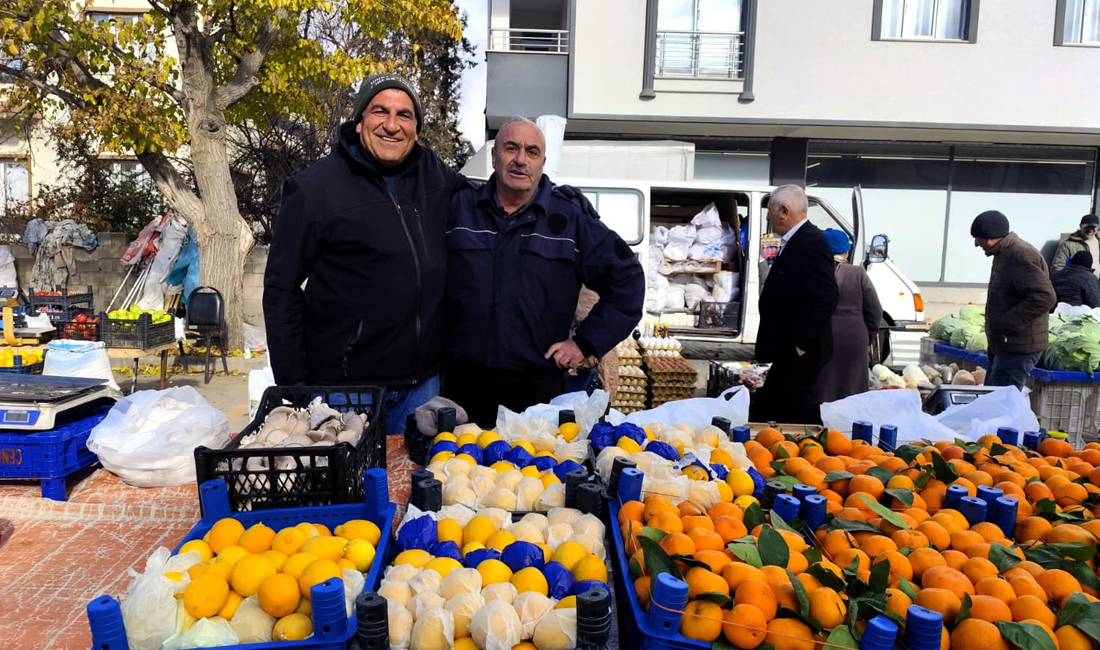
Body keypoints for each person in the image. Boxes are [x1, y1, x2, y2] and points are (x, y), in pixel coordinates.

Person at [263, 73, 463, 435]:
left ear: (416, 127)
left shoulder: (437, 178)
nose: (391, 125)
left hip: (422, 387)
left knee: (414, 489)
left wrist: (558, 198)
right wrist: (296, 387)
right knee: (347, 489)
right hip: (345, 392)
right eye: (379, 111)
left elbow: (493, 203)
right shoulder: (314, 190)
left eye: (404, 115)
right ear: (359, 123)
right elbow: (281, 290)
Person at [443, 117, 645, 427]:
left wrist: (583, 344)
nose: (520, 159)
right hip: (461, 388)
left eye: (531, 151)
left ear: (543, 162)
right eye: (511, 148)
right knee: (455, 472)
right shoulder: (459, 208)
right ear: (495, 156)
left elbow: (628, 281)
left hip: (535, 393)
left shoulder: (570, 219)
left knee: (531, 475)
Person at [750, 185, 839, 425]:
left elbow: (826, 297)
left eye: (769, 211)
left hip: (800, 351)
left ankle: (808, 453)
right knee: (775, 407)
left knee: (796, 410)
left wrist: (802, 344)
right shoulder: (797, 240)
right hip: (788, 349)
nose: (768, 217)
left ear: (784, 211)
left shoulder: (811, 242)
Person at [972, 210, 1056, 389]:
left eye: (977, 238)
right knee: (993, 398)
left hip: (1018, 346)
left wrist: (1007, 323)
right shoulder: (1004, 253)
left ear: (990, 237)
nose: (975, 244)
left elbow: (1044, 296)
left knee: (1002, 403)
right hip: (1004, 343)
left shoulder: (1019, 255)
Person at [815, 229, 883, 404]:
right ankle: (850, 429)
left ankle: (824, 427)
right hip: (855, 338)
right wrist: (867, 336)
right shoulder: (858, 273)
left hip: (823, 339)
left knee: (825, 389)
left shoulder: (816, 273)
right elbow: (875, 311)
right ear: (846, 252)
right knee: (853, 391)